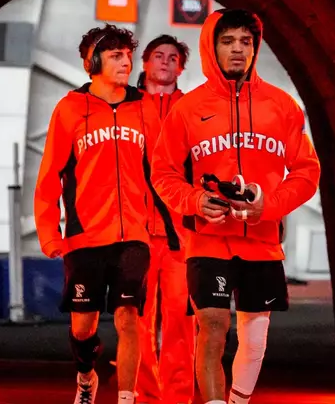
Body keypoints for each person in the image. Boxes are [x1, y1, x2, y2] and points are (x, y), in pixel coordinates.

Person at [150, 9, 321, 404]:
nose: (238, 50)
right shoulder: (187, 110)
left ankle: (237, 401)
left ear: (255, 47)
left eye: (246, 41)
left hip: (262, 241)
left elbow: (307, 171)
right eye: (228, 42)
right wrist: (194, 200)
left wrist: (269, 206)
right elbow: (163, 173)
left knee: (254, 339)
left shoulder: (282, 106)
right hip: (208, 241)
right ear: (212, 47)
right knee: (212, 325)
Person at [34, 24, 159, 404]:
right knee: (83, 327)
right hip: (84, 236)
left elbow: (162, 172)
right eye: (116, 55)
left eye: (127, 55)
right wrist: (49, 232)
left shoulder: (145, 108)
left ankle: (126, 396)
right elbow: (49, 175)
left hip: (135, 234)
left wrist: (164, 225)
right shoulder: (70, 109)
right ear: (93, 61)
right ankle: (86, 375)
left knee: (128, 317)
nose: (126, 61)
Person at [134, 35, 195, 404]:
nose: (166, 63)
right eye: (158, 56)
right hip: (135, 232)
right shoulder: (124, 107)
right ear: (145, 62)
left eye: (173, 58)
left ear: (181, 67)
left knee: (181, 323)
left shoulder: (192, 109)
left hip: (181, 236)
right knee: (136, 323)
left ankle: (178, 398)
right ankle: (142, 395)